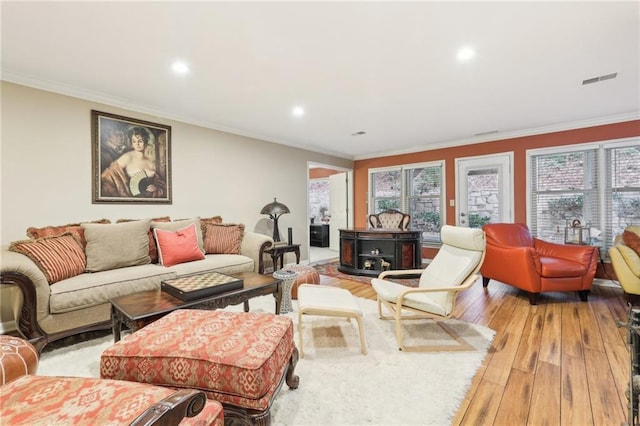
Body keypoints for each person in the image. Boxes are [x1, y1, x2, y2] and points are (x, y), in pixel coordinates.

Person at [101, 126, 166, 198]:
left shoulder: (150, 162)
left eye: (140, 141)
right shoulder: (127, 157)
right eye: (134, 141)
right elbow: (108, 175)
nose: (137, 144)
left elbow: (159, 182)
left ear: (146, 141)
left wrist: (155, 187)